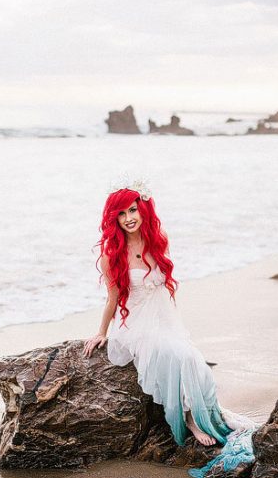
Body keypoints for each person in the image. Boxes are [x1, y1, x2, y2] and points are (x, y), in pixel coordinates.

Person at [82, 183, 233, 448]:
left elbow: (162, 288)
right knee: (179, 356)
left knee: (193, 360)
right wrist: (101, 332)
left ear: (143, 209)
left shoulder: (159, 239)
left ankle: (202, 414)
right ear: (113, 218)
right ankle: (189, 420)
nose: (128, 218)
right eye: (121, 213)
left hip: (165, 318)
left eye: (132, 210)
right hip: (137, 324)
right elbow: (113, 299)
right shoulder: (111, 255)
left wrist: (170, 325)